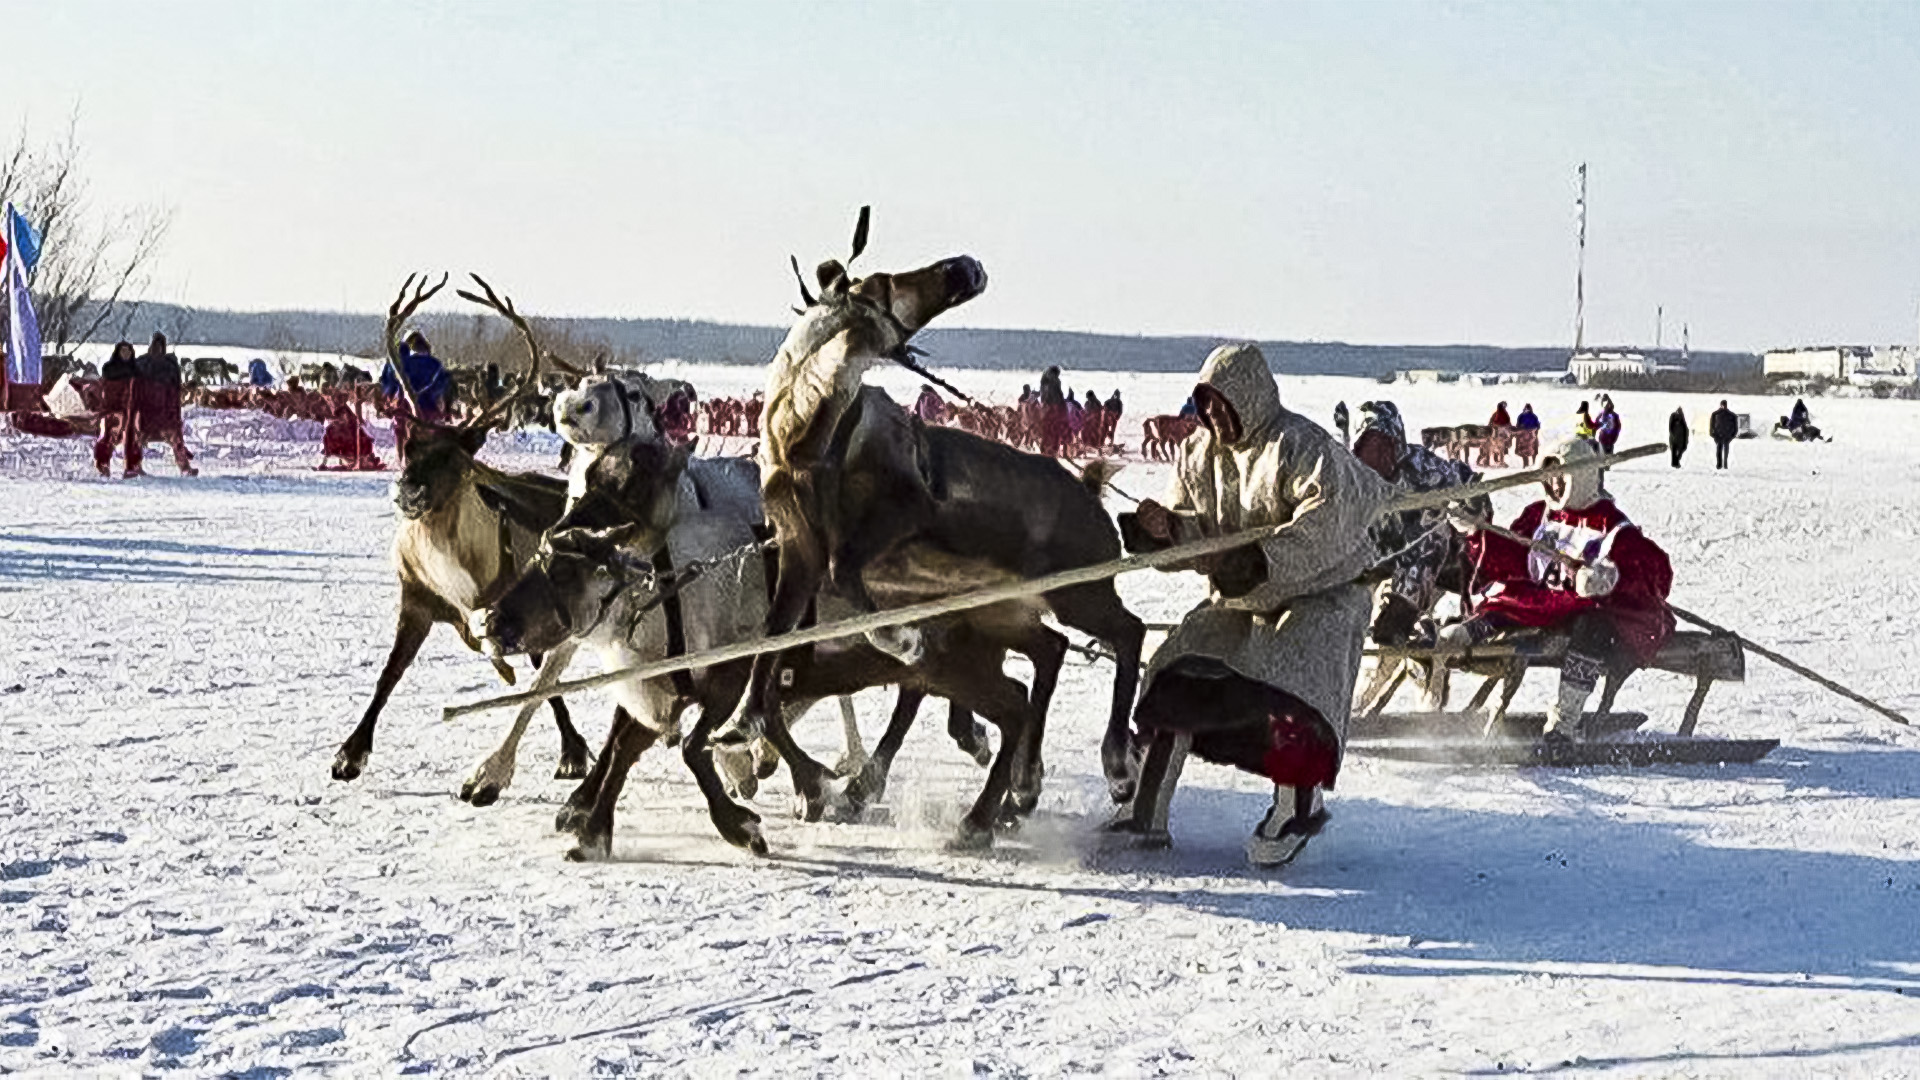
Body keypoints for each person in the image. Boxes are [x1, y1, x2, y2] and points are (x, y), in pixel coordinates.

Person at [1117, 344, 1390, 867]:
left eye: (1222, 402)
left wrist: (1262, 558)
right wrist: (1166, 532)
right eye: (1205, 403)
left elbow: (1329, 521)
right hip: (1240, 598)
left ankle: (1296, 807)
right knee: (1177, 670)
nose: (1212, 414)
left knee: (1295, 685)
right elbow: (1197, 535)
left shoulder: (1300, 445)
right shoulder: (1198, 454)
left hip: (1321, 594)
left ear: (1251, 395)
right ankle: (1143, 811)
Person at [1440, 435, 1674, 741]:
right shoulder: (1541, 515)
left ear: (1581, 478)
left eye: (1560, 478)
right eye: (1547, 479)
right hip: (1543, 603)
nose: (1553, 486)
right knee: (1511, 599)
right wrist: (1474, 528)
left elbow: (1656, 574)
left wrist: (1608, 578)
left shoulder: (1614, 527)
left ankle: (1564, 723)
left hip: (1585, 611)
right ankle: (1470, 632)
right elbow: (1514, 556)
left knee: (1591, 624)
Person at [1350, 400, 1488, 645]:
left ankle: (1400, 615)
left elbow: (1466, 488)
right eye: (1369, 446)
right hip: (1376, 553)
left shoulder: (1423, 468)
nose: (1378, 454)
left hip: (1428, 557)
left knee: (1434, 529)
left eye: (1384, 444)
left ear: (1397, 443)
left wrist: (1473, 502)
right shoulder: (1352, 479)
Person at [127, 333, 199, 477]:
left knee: (176, 439)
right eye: (155, 345)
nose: (157, 349)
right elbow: (133, 388)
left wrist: (175, 412)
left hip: (165, 411)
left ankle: (184, 467)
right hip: (146, 410)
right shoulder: (141, 363)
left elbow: (175, 390)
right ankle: (134, 466)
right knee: (137, 438)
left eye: (160, 346)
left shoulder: (170, 366)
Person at [380, 330, 450, 459]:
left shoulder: (401, 363)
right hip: (429, 405)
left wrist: (387, 396)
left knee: (402, 434)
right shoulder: (436, 364)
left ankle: (402, 461)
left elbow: (389, 382)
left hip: (404, 404)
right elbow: (441, 388)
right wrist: (442, 407)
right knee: (428, 434)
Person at [94, 341, 140, 478]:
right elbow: (108, 390)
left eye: (128, 351)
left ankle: (132, 466)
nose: (125, 354)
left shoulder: (135, 369)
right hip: (113, 407)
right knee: (111, 433)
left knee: (133, 435)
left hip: (131, 407)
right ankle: (103, 463)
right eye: (123, 351)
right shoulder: (110, 369)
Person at [1038, 365, 1066, 456]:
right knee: (1055, 430)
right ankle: (1053, 450)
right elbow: (1058, 396)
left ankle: (1045, 450)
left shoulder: (1044, 382)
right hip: (1054, 408)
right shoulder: (1055, 382)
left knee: (1046, 430)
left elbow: (1044, 397)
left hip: (1045, 409)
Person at [1709, 399, 1738, 469]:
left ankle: (1725, 463)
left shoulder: (1732, 415)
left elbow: (1735, 426)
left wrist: (1733, 435)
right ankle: (1719, 464)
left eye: (1724, 405)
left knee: (1726, 450)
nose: (1723, 406)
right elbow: (1711, 424)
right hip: (1718, 435)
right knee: (1719, 450)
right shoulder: (1715, 414)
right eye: (1723, 405)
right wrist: (1712, 433)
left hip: (1727, 436)